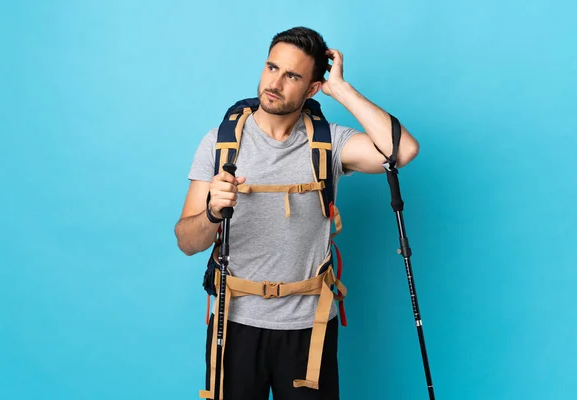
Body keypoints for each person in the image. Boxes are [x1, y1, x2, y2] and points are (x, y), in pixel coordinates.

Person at [175, 26, 420, 400]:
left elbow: (401, 152)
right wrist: (211, 213)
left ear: (311, 88)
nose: (275, 82)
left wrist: (341, 89)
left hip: (310, 326)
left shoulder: (330, 142)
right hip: (235, 322)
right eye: (272, 68)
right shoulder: (220, 144)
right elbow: (186, 242)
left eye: (292, 75)